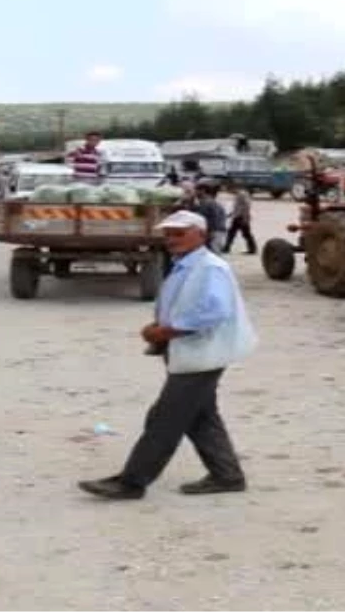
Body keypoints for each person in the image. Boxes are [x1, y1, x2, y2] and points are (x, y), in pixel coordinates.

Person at [78, 211, 256, 501]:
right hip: (192, 352)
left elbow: (214, 311)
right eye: (168, 234)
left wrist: (168, 331)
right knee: (200, 416)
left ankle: (132, 482)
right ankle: (227, 475)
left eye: (179, 233)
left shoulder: (210, 268)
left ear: (200, 234)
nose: (172, 239)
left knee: (165, 418)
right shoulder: (186, 265)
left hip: (202, 354)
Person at [193, 182, 228, 252]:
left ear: (203, 190)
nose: (195, 193)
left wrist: (210, 232)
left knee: (214, 254)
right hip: (214, 231)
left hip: (214, 232)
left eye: (196, 190)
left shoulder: (208, 203)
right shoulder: (206, 202)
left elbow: (214, 218)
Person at [222, 188, 258, 255]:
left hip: (241, 217)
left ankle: (252, 249)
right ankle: (226, 248)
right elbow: (238, 207)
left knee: (244, 234)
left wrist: (245, 217)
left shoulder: (242, 194)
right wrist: (230, 214)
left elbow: (247, 205)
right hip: (238, 216)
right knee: (233, 233)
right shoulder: (238, 195)